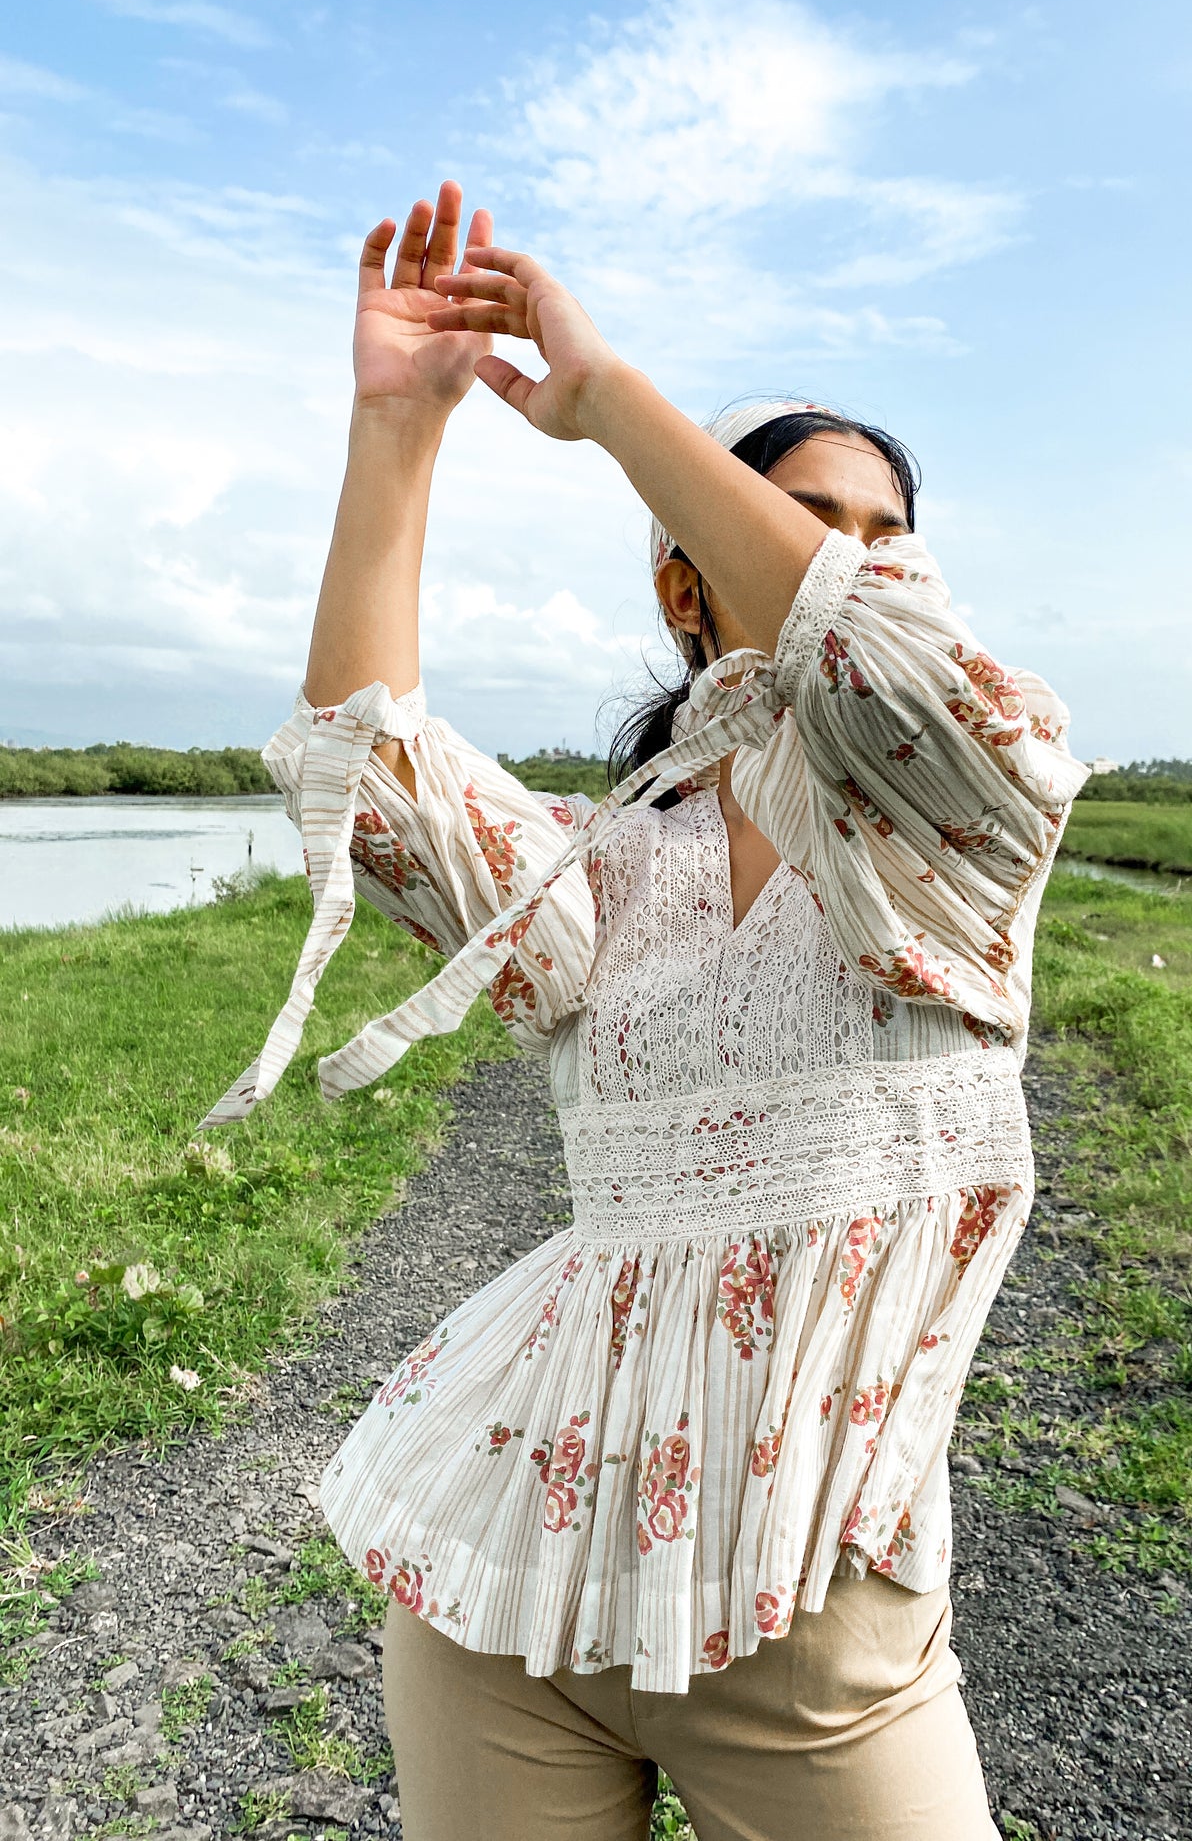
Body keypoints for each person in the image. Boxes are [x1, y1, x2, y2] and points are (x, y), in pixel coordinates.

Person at [206, 181, 1088, 1840]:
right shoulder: (610, 859)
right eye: (810, 519)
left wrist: (608, 398)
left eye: (888, 535)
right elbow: (378, 787)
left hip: (812, 1614)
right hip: (509, 1591)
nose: (857, 558)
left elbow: (893, 670)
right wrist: (397, 428)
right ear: (686, 587)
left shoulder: (958, 834)